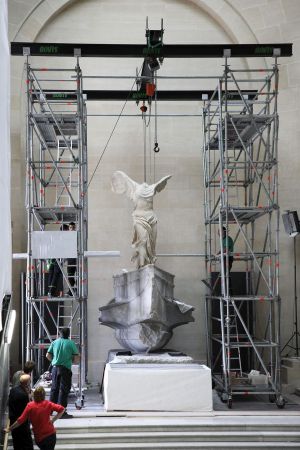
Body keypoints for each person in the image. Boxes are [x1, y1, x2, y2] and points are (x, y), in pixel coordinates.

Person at [111, 170, 172, 268]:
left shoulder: (152, 188)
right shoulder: (134, 187)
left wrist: (164, 180)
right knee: (143, 239)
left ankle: (147, 261)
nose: (145, 185)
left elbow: (159, 184)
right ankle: (143, 264)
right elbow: (123, 177)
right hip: (139, 217)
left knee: (152, 242)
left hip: (151, 217)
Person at [5, 386, 65, 450]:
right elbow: (62, 409)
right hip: (51, 435)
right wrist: (53, 420)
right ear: (44, 395)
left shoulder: (30, 406)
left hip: (39, 438)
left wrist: (9, 428)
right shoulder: (48, 403)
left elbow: (20, 420)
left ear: (34, 395)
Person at [46, 327, 79, 418]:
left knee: (54, 389)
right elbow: (76, 358)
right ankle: (61, 412)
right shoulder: (71, 343)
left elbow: (47, 355)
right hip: (65, 369)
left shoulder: (54, 342)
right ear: (68, 334)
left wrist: (54, 361)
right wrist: (72, 361)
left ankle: (50, 411)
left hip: (55, 368)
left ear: (60, 334)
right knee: (63, 390)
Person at [8, 374, 34, 450]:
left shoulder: (13, 390)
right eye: (29, 382)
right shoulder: (24, 395)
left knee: (17, 444)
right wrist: (29, 396)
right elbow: (27, 410)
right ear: (27, 383)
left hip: (13, 421)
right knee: (27, 445)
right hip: (22, 425)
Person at [66, 222, 77, 296]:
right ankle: (72, 290)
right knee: (70, 275)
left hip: (77, 258)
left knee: (79, 275)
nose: (72, 229)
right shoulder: (67, 237)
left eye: (73, 227)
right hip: (70, 258)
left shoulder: (78, 236)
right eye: (70, 227)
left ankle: (73, 290)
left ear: (75, 228)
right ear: (69, 229)